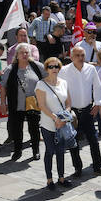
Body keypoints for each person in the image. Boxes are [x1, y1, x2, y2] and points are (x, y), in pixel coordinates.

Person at [59, 46, 101, 176]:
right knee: (73, 141)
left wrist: (98, 103)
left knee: (93, 140)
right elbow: (59, 89)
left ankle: (98, 167)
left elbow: (97, 87)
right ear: (71, 57)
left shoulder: (91, 69)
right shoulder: (64, 71)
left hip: (88, 110)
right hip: (72, 112)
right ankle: (78, 168)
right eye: (77, 55)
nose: (81, 58)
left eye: (82, 55)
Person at [34, 57, 74, 190]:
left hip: (62, 124)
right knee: (50, 151)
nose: (54, 69)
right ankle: (49, 180)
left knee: (61, 151)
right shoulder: (41, 84)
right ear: (46, 69)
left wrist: (63, 118)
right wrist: (54, 118)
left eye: (56, 66)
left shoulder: (64, 83)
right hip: (48, 124)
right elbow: (42, 105)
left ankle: (61, 178)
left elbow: (68, 103)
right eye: (51, 67)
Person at [1, 43, 45, 161]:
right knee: (17, 129)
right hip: (16, 103)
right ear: (17, 55)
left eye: (27, 52)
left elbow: (47, 79)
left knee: (34, 128)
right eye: (22, 53)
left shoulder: (37, 66)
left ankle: (36, 150)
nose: (25, 55)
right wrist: (3, 103)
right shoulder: (10, 69)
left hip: (33, 103)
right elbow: (3, 86)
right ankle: (17, 150)